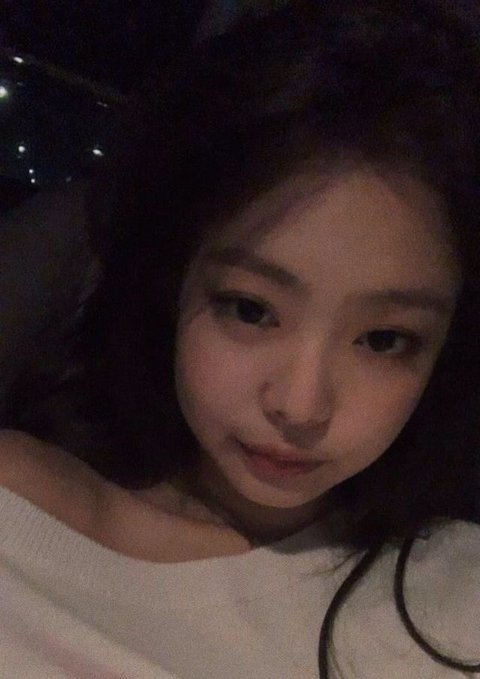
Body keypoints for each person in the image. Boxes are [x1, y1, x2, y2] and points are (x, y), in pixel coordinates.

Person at [1, 1, 480, 676]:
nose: (300, 406)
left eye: (382, 340)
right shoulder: (16, 516)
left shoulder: (455, 594)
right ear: (172, 281)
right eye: (251, 310)